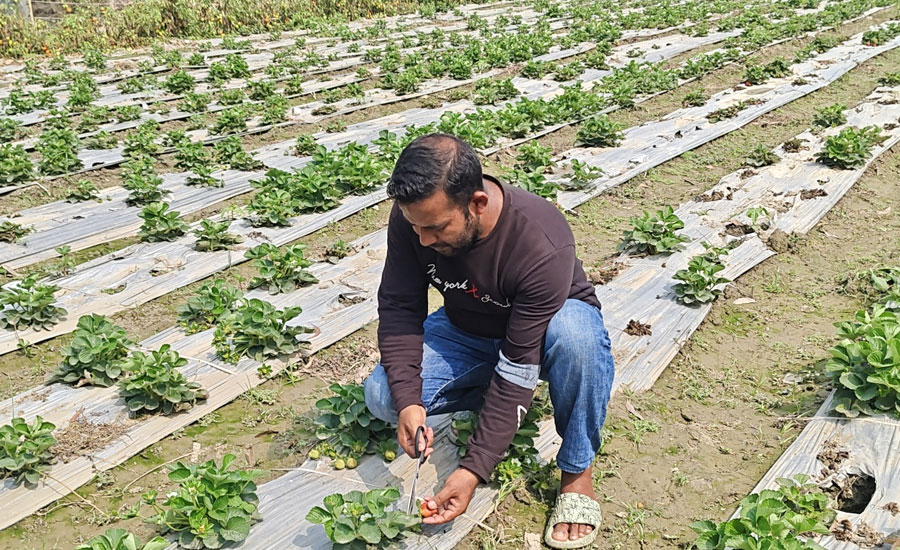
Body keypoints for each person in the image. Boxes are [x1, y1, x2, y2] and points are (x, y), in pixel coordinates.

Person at [363, 133, 614, 549]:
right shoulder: (416, 217)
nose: (423, 240)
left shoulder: (540, 239)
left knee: (578, 340)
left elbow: (519, 363)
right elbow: (399, 306)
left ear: (477, 203)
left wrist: (472, 470)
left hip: (544, 333)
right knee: (383, 396)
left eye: (435, 228)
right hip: (467, 329)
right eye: (416, 227)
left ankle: (576, 473)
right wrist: (409, 402)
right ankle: (500, 405)